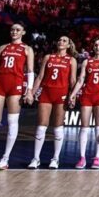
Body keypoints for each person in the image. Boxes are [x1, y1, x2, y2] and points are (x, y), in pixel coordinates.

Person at [0, 24, 35, 170]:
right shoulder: (2, 47)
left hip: (15, 85)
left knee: (12, 121)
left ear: (23, 32)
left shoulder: (27, 49)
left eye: (17, 30)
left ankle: (5, 158)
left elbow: (30, 71)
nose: (14, 32)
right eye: (12, 30)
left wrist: (29, 90)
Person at [27, 36, 77, 169]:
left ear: (68, 45)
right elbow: (40, 77)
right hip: (46, 93)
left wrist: (73, 97)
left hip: (61, 94)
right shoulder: (48, 57)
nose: (61, 42)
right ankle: (36, 158)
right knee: (41, 125)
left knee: (58, 127)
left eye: (64, 41)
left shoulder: (71, 60)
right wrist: (31, 92)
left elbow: (73, 80)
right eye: (59, 40)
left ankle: (55, 158)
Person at [70, 39, 99, 169]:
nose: (98, 47)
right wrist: (73, 94)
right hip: (87, 96)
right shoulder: (87, 62)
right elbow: (81, 80)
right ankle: (82, 157)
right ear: (93, 47)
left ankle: (97, 157)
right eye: (96, 45)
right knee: (84, 126)